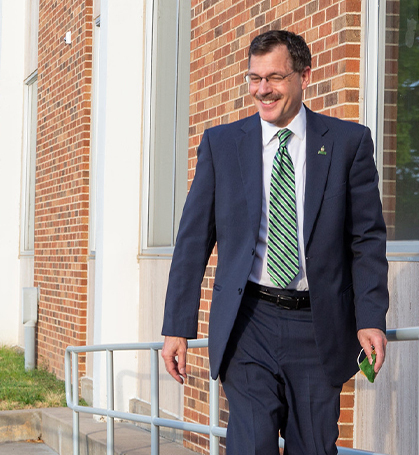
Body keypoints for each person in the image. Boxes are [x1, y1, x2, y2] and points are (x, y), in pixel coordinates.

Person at [160, 30, 389, 455]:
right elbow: (193, 240)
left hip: (318, 326)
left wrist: (371, 316)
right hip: (249, 322)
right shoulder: (222, 144)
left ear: (304, 75)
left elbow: (366, 239)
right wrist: (177, 326)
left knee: (314, 447)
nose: (262, 89)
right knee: (250, 444)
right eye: (254, 77)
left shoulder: (347, 143)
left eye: (275, 77)